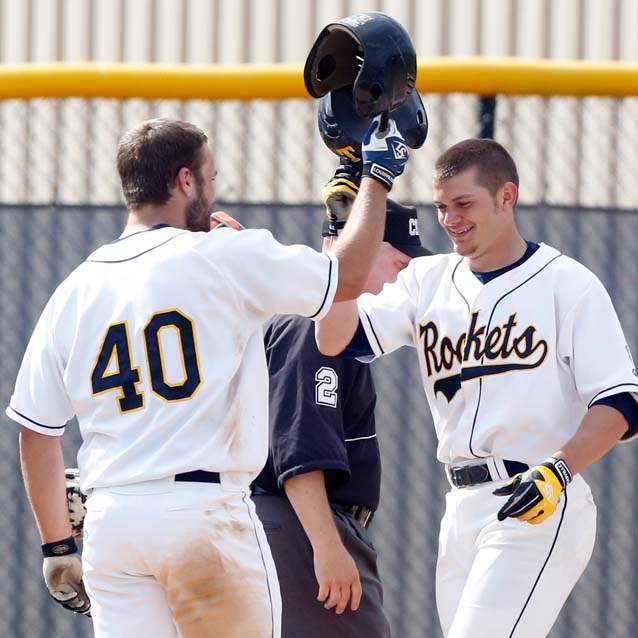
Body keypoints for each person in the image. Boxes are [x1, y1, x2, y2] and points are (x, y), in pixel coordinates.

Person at [6, 115, 410, 638]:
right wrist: (376, 179)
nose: (214, 188)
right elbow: (351, 277)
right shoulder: (224, 255)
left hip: (114, 523)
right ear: (185, 180)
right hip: (203, 516)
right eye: (210, 177)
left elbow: (37, 431)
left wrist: (57, 547)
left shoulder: (75, 289)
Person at [316, 138, 638, 638]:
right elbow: (335, 337)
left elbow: (621, 402)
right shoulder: (427, 279)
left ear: (507, 196)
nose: (450, 220)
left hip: (538, 499)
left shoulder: (567, 284)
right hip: (461, 508)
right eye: (442, 207)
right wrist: (340, 240)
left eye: (464, 204)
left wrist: (559, 470)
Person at [251, 171, 431, 636]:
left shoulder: (330, 323)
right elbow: (299, 449)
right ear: (366, 248)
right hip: (298, 527)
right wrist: (327, 548)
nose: (404, 278)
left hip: (297, 526)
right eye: (399, 264)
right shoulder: (311, 322)